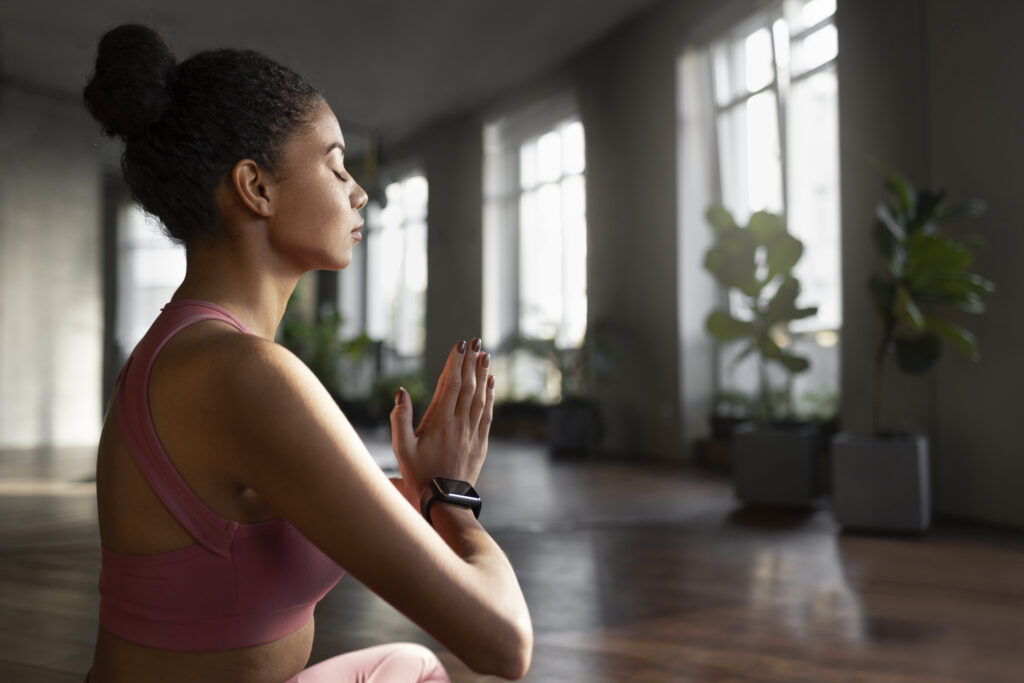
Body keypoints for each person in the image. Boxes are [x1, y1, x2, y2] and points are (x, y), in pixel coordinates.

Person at [81, 24, 532, 683]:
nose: (359, 192)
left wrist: (415, 486)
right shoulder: (244, 375)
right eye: (336, 163)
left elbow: (313, 509)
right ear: (256, 188)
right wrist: (451, 497)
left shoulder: (187, 353)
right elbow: (504, 642)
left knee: (407, 664)